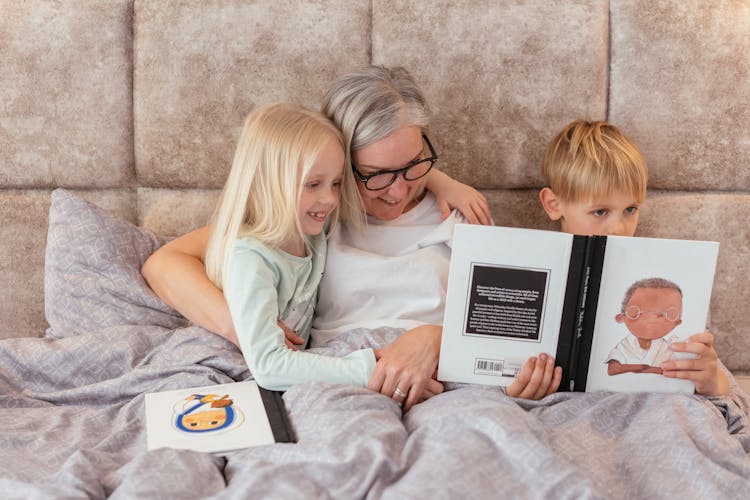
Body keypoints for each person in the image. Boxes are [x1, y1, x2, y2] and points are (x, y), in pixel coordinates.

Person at [143, 65, 560, 411]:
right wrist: (246, 328)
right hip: (338, 376)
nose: (397, 192)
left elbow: (504, 324)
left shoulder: (461, 213)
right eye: (375, 176)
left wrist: (435, 338)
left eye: (415, 166)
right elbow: (165, 263)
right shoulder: (313, 213)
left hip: (441, 380)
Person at [538, 119, 729, 396]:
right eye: (601, 212)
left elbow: (715, 383)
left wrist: (710, 380)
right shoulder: (537, 266)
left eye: (630, 209)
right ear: (554, 205)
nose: (619, 227)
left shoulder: (662, 277)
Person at [201, 101, 379, 391]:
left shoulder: (312, 232)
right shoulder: (250, 257)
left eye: (335, 183)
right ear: (269, 183)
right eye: (313, 184)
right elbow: (269, 366)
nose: (331, 199)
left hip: (287, 366)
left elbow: (386, 177)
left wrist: (442, 183)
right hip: (237, 367)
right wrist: (366, 370)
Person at [607, 278, 684, 376]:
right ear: (621, 317)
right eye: (635, 312)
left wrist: (635, 368)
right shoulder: (625, 346)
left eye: (669, 314)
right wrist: (648, 369)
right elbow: (613, 370)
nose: (651, 318)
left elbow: (673, 372)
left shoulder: (666, 349)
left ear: (677, 322)